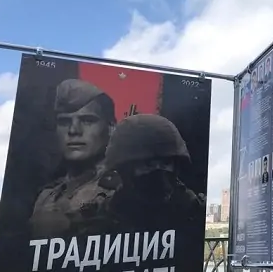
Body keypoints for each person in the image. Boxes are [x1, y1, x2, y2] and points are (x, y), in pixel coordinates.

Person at [28, 78, 117, 238]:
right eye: (64, 121)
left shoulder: (122, 191)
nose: (74, 130)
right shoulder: (46, 195)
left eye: (87, 121)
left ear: (111, 128)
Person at [102, 114, 205, 233]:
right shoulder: (99, 220)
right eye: (148, 164)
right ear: (125, 170)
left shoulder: (198, 213)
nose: (158, 171)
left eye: (166, 163)